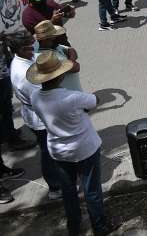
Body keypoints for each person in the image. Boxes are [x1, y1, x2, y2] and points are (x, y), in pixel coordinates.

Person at [28, 51, 116, 236]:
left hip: (59, 151)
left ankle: (74, 227)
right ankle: (99, 227)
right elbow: (95, 101)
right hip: (84, 148)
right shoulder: (71, 97)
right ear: (60, 75)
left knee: (68, 192)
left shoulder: (35, 97)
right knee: (91, 190)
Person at [7, 33, 62, 201]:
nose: (33, 50)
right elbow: (42, 97)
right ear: (20, 49)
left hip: (39, 112)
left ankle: (60, 179)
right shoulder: (23, 74)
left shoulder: (24, 58)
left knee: (51, 149)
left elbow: (38, 57)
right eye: (29, 48)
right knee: (48, 152)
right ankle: (55, 187)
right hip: (40, 116)